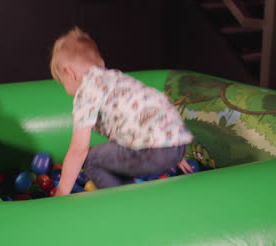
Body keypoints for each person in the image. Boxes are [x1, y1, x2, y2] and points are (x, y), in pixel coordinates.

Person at [50, 27, 194, 196]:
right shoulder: (115, 78)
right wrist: (173, 151)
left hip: (152, 150)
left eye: (63, 83)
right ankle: (131, 191)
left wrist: (62, 192)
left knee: (91, 160)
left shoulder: (87, 90)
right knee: (114, 152)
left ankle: (125, 203)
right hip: (176, 145)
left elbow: (78, 149)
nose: (67, 90)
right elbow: (153, 109)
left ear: (70, 73)